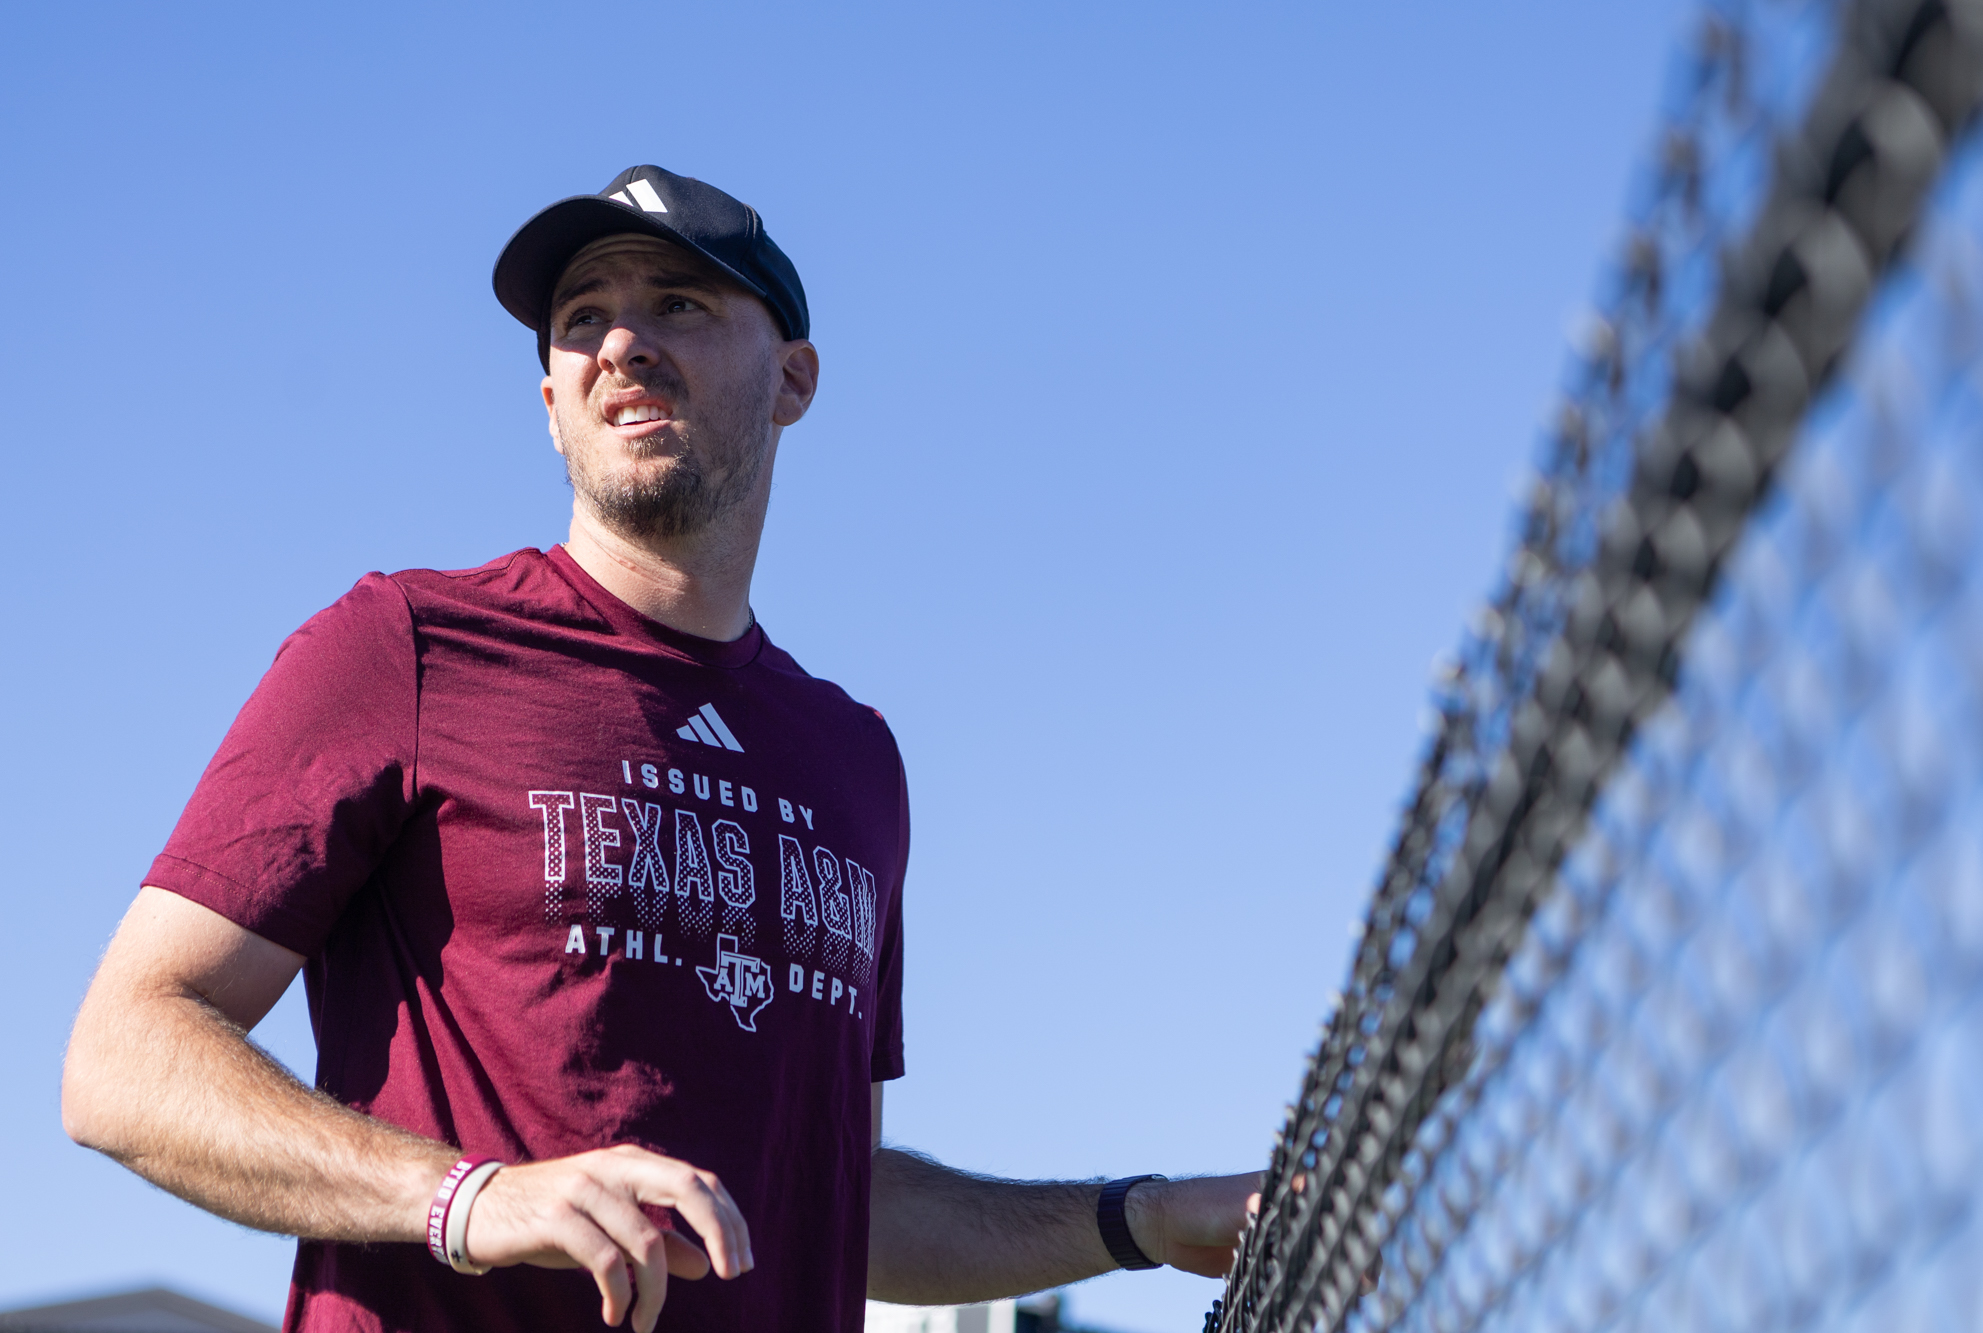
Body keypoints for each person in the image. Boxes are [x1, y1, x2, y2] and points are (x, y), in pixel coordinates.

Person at [60, 164, 1258, 1333]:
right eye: (582, 319)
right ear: (549, 403)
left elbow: (835, 1203)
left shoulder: (855, 760)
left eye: (676, 301)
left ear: (793, 378)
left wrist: (1137, 1217)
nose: (621, 343)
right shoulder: (403, 646)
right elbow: (123, 1056)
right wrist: (470, 1198)